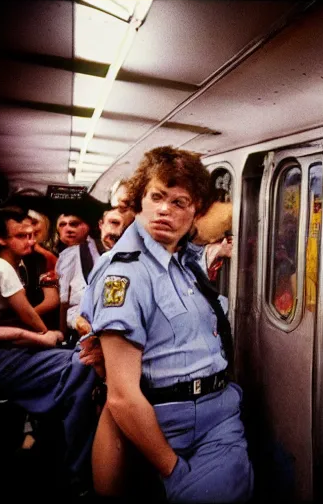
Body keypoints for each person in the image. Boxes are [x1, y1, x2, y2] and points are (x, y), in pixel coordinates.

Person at [81, 146, 252, 502]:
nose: (164, 210)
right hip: (168, 422)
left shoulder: (182, 262)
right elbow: (123, 395)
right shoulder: (126, 273)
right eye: (156, 197)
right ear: (139, 202)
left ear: (194, 213)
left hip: (219, 414)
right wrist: (171, 468)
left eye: (179, 202)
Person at [0, 207, 98, 497]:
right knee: (84, 366)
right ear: (1, 239)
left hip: (7, 350)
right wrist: (34, 334)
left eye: (32, 234)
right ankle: (80, 471)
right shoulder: (0, 268)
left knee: (79, 366)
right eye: (21, 236)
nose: (30, 241)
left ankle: (66, 456)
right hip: (0, 357)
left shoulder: (22, 265)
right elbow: (37, 323)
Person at [59, 207, 135, 347]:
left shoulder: (139, 261)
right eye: (114, 222)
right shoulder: (73, 255)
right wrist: (78, 323)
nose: (119, 231)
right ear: (101, 224)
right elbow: (63, 305)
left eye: (128, 226)